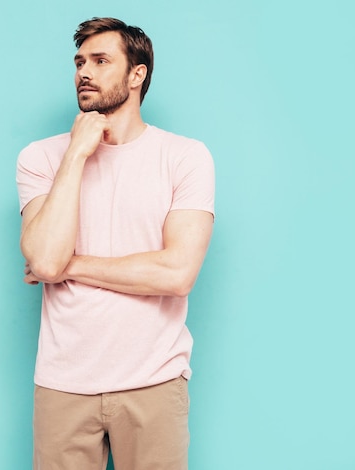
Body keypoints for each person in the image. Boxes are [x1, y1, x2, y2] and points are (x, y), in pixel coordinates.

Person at [16, 17, 215, 470]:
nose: (84, 72)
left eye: (101, 61)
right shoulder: (40, 157)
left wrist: (73, 266)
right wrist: (77, 153)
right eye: (80, 61)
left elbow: (177, 273)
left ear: (136, 74)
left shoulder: (185, 157)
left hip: (154, 382)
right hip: (63, 384)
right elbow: (46, 259)